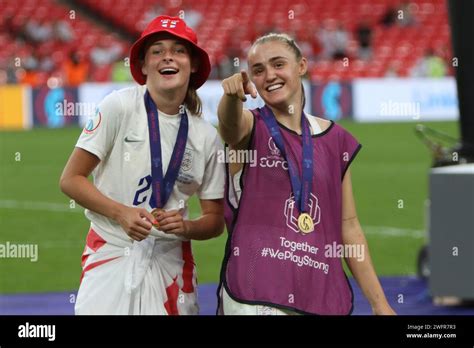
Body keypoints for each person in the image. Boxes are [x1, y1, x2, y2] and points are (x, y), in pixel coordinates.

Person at [216, 33, 395, 315]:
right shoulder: (252, 127)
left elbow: (348, 227)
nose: (269, 76)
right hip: (255, 298)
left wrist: (380, 303)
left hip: (316, 293)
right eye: (258, 70)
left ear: (301, 66)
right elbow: (229, 127)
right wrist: (230, 98)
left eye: (278, 64)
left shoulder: (335, 140)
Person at [59, 15, 225, 315]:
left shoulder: (206, 136)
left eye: (179, 50)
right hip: (109, 252)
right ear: (144, 65)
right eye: (157, 51)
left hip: (170, 262)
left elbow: (215, 220)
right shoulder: (118, 106)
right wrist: (120, 213)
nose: (168, 57)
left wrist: (187, 226)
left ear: (194, 64)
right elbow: (71, 179)